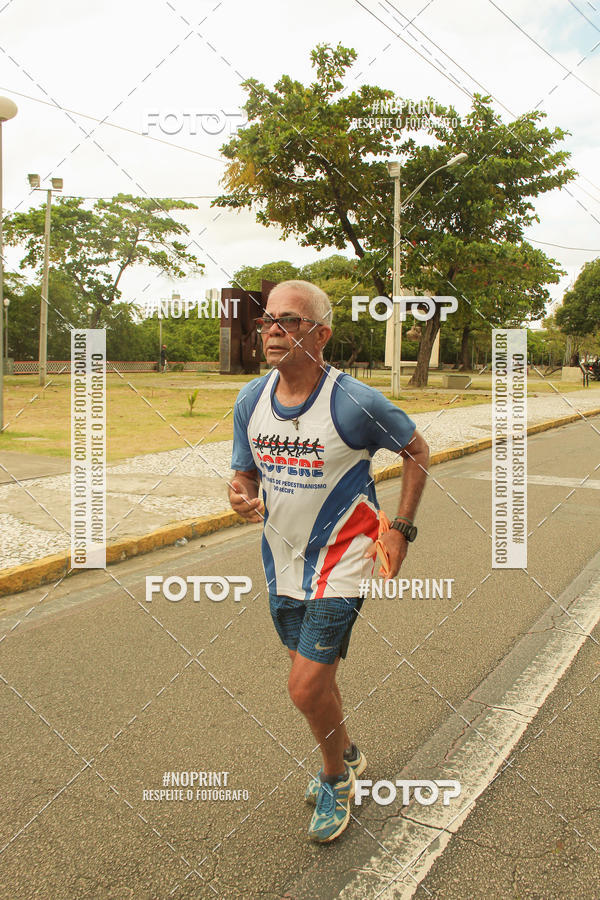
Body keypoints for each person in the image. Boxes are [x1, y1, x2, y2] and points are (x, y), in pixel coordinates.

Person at [228, 281, 429, 843]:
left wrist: (402, 531)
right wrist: (239, 491)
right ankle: (349, 750)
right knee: (316, 685)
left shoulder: (354, 402)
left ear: (320, 334)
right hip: (281, 563)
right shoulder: (250, 400)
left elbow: (417, 450)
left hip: (344, 562)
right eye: (267, 320)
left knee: (303, 688)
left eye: (287, 321)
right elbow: (245, 473)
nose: (271, 330)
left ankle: (336, 778)